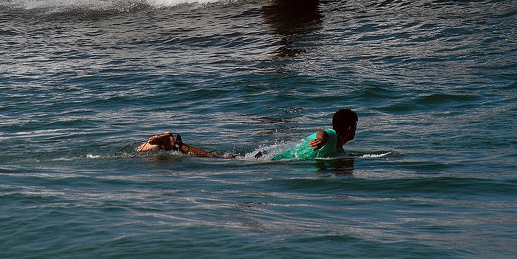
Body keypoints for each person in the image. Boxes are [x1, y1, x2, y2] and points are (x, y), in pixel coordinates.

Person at [136, 109, 359, 161]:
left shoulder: (339, 149)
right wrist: (320, 138)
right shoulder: (330, 135)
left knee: (218, 160)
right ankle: (174, 144)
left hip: (268, 158)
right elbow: (324, 132)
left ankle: (174, 144)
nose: (356, 129)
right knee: (216, 161)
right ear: (348, 129)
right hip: (267, 160)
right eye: (355, 126)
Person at [269, 109, 359, 160]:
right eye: (355, 125)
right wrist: (321, 140)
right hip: (275, 160)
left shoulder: (338, 147)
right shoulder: (332, 135)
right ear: (349, 129)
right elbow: (322, 132)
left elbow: (343, 156)